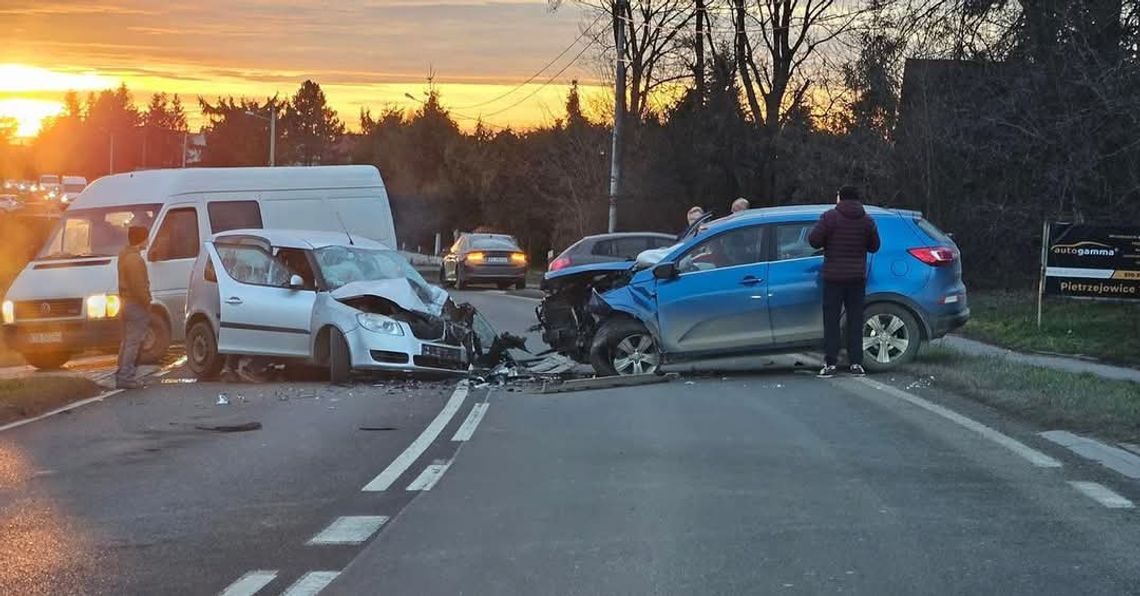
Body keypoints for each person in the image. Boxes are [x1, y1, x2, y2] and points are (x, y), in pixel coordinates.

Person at [808, 185, 880, 378]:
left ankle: (831, 363)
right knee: (856, 320)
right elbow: (874, 246)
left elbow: (813, 240)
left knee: (831, 321)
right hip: (857, 278)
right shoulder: (867, 220)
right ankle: (856, 363)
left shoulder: (829, 217)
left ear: (840, 198)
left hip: (833, 278)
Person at [115, 226, 151, 389]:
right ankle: (126, 376)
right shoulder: (135, 260)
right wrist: (146, 302)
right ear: (142, 239)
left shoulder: (124, 256)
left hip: (125, 302)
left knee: (127, 340)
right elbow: (138, 286)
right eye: (147, 237)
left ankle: (122, 372)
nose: (148, 240)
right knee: (133, 341)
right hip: (135, 303)